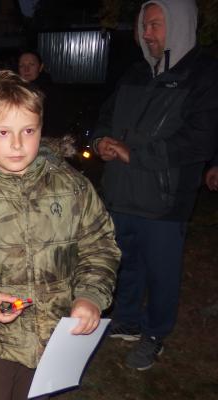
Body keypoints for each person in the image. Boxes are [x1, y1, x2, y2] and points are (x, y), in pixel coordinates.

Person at [0, 70, 120, 399]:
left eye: (28, 130)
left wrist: (89, 296)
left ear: (41, 129)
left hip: (54, 337)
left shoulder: (72, 187)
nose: (17, 144)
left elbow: (99, 247)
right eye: (3, 132)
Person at [91, 0, 218, 371]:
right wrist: (100, 141)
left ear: (178, 25)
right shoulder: (135, 72)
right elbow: (105, 116)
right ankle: (127, 320)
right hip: (121, 192)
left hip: (165, 199)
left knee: (162, 272)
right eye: (144, 25)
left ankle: (155, 332)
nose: (146, 34)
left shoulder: (204, 75)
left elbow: (200, 139)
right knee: (125, 262)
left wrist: (136, 154)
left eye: (155, 25)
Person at [17, 51, 63, 137]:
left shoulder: (51, 92)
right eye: (21, 65)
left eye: (31, 64)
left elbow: (54, 124)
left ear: (41, 67)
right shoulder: (14, 91)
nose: (26, 69)